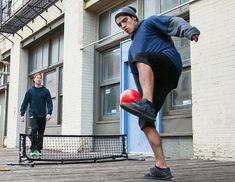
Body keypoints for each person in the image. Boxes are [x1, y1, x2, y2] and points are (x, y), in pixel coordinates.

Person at [115, 6, 200, 180]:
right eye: (119, 24)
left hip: (168, 64)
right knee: (145, 121)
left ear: (134, 18)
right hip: (156, 82)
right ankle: (161, 167)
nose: (123, 26)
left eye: (125, 20)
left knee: (141, 57)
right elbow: (140, 78)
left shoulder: (149, 23)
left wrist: (188, 30)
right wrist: (146, 106)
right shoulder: (131, 52)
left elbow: (173, 22)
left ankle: (146, 103)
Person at [20, 72, 53, 156]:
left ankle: (38, 149)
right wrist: (22, 114)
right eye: (37, 77)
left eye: (40, 78)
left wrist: (49, 113)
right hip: (33, 114)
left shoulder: (46, 91)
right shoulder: (30, 91)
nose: (39, 79)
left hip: (42, 115)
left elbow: (49, 103)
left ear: (41, 79)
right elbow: (25, 103)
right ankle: (33, 148)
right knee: (34, 128)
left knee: (41, 133)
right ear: (34, 79)